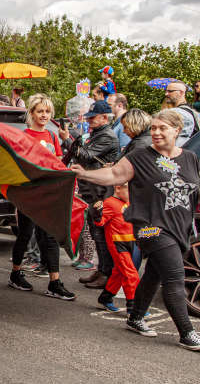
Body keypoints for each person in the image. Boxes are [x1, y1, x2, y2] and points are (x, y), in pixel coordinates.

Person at [71, 109, 200, 351]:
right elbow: (113, 174)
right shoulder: (140, 157)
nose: (156, 132)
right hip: (150, 227)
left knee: (154, 273)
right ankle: (187, 332)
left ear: (177, 130)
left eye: (162, 128)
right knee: (174, 276)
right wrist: (84, 174)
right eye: (153, 128)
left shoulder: (191, 159)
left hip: (180, 228)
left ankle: (135, 317)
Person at [8, 94, 75, 300]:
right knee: (25, 233)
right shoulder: (24, 135)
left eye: (47, 112)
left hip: (48, 193)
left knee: (50, 235)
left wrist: (67, 140)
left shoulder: (53, 136)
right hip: (29, 193)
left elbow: (58, 162)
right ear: (32, 113)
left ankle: (54, 282)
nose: (44, 115)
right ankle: (16, 273)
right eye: (40, 111)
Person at [63, 100, 120, 289]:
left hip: (102, 190)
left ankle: (107, 272)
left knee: (101, 233)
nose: (89, 121)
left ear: (105, 118)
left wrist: (69, 139)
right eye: (88, 118)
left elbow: (86, 155)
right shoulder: (96, 134)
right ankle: (102, 270)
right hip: (91, 188)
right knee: (96, 232)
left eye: (92, 118)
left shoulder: (108, 137)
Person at [93, 182, 139, 313]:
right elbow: (100, 222)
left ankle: (105, 299)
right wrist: (97, 213)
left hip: (130, 242)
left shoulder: (128, 202)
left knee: (119, 273)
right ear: (118, 188)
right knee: (131, 274)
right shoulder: (110, 202)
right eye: (129, 190)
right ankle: (133, 308)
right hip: (117, 244)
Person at [163, 81, 200, 145]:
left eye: (170, 91)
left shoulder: (178, 112)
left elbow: (178, 141)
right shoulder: (191, 110)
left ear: (181, 93)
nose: (166, 94)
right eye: (166, 91)